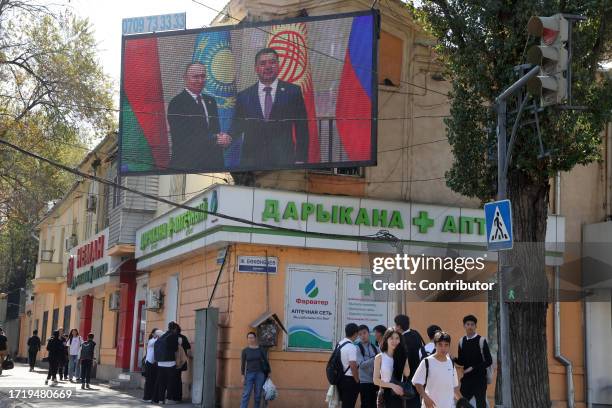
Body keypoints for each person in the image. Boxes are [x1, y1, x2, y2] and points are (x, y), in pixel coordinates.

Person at [231, 47, 309, 169]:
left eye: (272, 62)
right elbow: (236, 126)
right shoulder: (244, 96)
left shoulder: (293, 91)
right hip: (251, 163)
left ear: (278, 65)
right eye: (262, 63)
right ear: (256, 69)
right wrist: (226, 137)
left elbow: (302, 129)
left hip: (284, 161)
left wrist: (300, 159)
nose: (268, 67)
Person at [167, 62, 231, 171]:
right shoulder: (176, 103)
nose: (200, 81)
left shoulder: (211, 101)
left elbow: (214, 131)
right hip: (187, 166)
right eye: (195, 77)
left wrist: (225, 139)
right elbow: (183, 139)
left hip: (213, 166)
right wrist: (216, 139)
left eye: (203, 76)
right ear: (185, 78)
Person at [412, 331, 461, 408]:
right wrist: (425, 398)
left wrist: (463, 401)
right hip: (431, 406)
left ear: (449, 346)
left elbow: (454, 387)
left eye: (446, 345)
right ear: (435, 345)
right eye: (440, 345)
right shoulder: (427, 361)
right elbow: (417, 382)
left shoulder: (451, 363)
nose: (443, 348)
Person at [455, 315, 492, 408]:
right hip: (467, 380)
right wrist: (453, 359)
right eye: (468, 324)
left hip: (480, 380)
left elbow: (489, 361)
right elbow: (462, 361)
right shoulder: (461, 341)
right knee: (462, 403)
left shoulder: (481, 340)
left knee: (481, 404)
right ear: (464, 326)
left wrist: (473, 368)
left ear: (476, 326)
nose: (470, 326)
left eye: (472, 324)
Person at [373, 328, 411, 408]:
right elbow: (375, 380)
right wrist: (392, 386)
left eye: (397, 338)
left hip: (399, 394)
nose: (394, 341)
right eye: (391, 338)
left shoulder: (402, 356)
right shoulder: (380, 357)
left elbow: (407, 373)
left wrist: (404, 356)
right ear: (386, 339)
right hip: (385, 393)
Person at [394, 314, 425, 408]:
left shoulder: (402, 340)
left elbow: (401, 361)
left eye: (395, 325)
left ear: (399, 326)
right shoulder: (415, 333)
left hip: (408, 377)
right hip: (419, 374)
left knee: (408, 402)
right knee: (416, 401)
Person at [240, 331, 270, 408]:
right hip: (249, 374)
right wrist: (242, 375)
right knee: (246, 393)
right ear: (247, 339)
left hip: (260, 374)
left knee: (257, 395)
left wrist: (268, 373)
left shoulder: (260, 349)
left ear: (255, 338)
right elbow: (243, 364)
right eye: (249, 338)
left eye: (252, 337)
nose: (250, 339)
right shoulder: (245, 351)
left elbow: (266, 361)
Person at [153, 321, 179, 405]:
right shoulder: (173, 336)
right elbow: (175, 349)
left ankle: (161, 400)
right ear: (175, 328)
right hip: (170, 362)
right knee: (170, 382)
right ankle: (169, 399)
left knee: (161, 382)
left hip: (160, 363)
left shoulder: (163, 336)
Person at [336, 323, 360, 408]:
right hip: (350, 380)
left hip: (341, 378)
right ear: (355, 333)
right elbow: (353, 365)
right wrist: (357, 381)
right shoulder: (351, 347)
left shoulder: (340, 344)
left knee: (345, 404)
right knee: (349, 404)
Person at [356, 325, 379, 408]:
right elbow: (361, 365)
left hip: (376, 382)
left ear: (369, 334)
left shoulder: (375, 348)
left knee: (375, 405)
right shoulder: (358, 348)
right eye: (360, 334)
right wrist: (374, 359)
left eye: (364, 333)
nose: (363, 336)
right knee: (365, 405)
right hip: (364, 382)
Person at [173, 324, 192, 402]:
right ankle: (178, 397)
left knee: (173, 379)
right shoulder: (183, 337)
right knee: (178, 379)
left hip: (173, 361)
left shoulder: (172, 337)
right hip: (181, 361)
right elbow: (188, 347)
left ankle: (173, 396)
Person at [143, 328, 161, 403]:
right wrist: (159, 336)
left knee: (154, 381)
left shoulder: (157, 340)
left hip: (155, 363)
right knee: (149, 381)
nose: (157, 335)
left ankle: (153, 397)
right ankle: (147, 397)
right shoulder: (151, 341)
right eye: (156, 333)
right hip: (149, 363)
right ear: (153, 334)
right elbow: (155, 341)